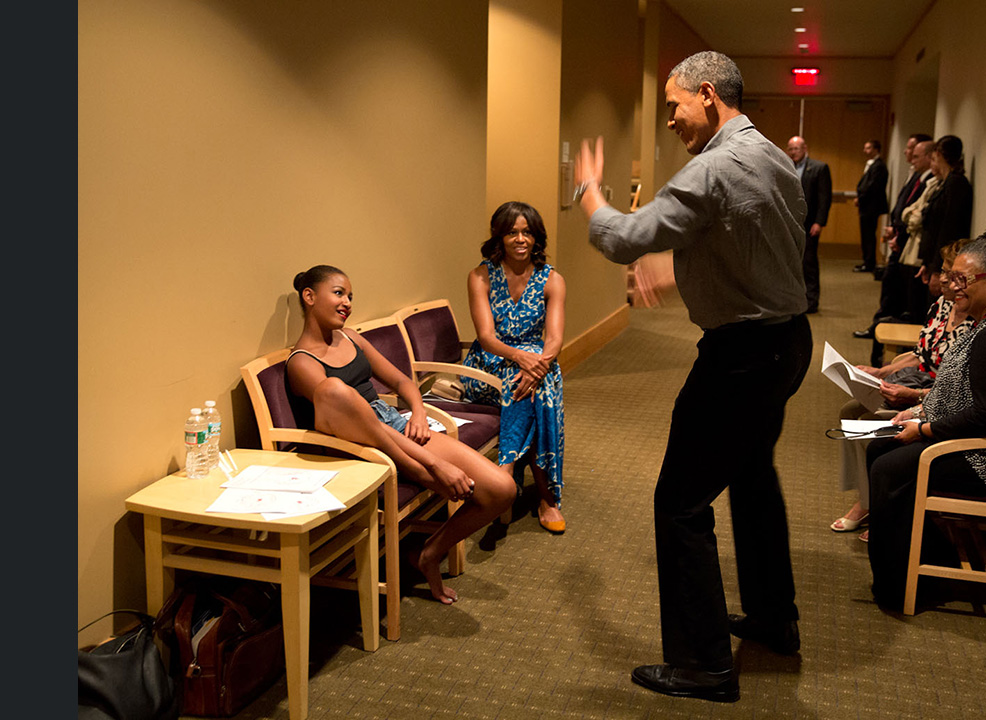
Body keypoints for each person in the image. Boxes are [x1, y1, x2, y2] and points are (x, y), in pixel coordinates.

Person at [573, 50, 811, 703]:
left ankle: (704, 664)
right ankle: (772, 619)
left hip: (740, 358)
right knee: (752, 477)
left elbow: (623, 237)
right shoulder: (772, 158)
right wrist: (681, 263)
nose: (672, 120)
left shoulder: (714, 168)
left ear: (708, 94)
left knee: (679, 501)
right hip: (787, 344)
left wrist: (588, 192)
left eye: (674, 106)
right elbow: (747, 241)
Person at [284, 265, 517, 605]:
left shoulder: (352, 338)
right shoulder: (301, 362)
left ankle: (428, 553)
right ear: (309, 296)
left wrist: (419, 413)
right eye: (338, 293)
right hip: (360, 445)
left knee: (502, 489)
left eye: (350, 296)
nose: (347, 302)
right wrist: (436, 464)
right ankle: (432, 469)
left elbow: (402, 381)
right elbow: (363, 426)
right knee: (338, 390)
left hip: (392, 426)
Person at [864, 225, 986, 610]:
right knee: (879, 447)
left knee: (890, 469)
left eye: (962, 279)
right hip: (982, 441)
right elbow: (967, 395)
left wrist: (924, 429)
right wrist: (919, 412)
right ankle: (926, 557)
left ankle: (898, 587)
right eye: (950, 277)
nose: (952, 287)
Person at [831, 240, 974, 542]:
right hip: (918, 381)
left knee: (870, 424)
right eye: (944, 272)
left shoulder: (977, 321)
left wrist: (912, 397)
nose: (943, 279)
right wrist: (880, 372)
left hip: (933, 395)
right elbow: (921, 354)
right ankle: (869, 499)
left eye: (952, 274)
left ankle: (876, 504)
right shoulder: (941, 306)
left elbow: (959, 390)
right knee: (849, 411)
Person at [460, 201, 567, 534]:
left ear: (536, 238)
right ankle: (547, 497)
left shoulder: (553, 280)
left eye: (527, 232)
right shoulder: (480, 276)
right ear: (499, 237)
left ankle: (503, 475)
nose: (520, 239)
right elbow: (486, 337)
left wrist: (536, 367)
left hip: (536, 364)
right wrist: (522, 360)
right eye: (512, 232)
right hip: (488, 365)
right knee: (530, 387)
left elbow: (554, 339)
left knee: (537, 388)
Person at [853, 136, 934, 349]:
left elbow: (916, 214)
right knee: (890, 286)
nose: (910, 157)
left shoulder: (928, 181)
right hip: (900, 238)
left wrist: (900, 232)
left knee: (897, 289)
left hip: (908, 245)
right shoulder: (916, 176)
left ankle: (885, 327)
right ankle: (880, 324)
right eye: (909, 151)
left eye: (915, 154)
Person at [908, 134, 973, 321]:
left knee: (936, 312)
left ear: (941, 156)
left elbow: (947, 230)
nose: (932, 164)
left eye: (934, 159)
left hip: (943, 262)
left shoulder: (956, 184)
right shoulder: (944, 184)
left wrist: (938, 270)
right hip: (933, 261)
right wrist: (927, 263)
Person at [785, 136, 832, 313]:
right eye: (790, 149)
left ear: (805, 148)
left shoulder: (819, 168)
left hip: (810, 224)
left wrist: (819, 222)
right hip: (789, 224)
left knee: (808, 262)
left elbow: (824, 198)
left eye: (796, 149)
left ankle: (811, 301)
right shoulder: (786, 166)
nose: (793, 152)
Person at [853, 139, 889, 273]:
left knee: (868, 235)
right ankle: (867, 261)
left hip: (871, 206)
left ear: (875, 149)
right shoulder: (872, 164)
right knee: (866, 234)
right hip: (867, 205)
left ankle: (869, 263)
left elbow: (872, 186)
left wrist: (860, 198)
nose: (865, 151)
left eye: (868, 148)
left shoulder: (879, 166)